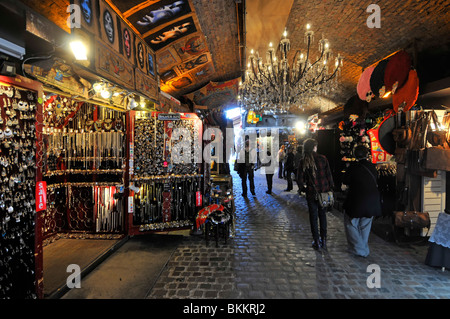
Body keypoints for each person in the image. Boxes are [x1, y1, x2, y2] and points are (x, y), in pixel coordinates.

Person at [342, 145, 382, 257]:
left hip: (356, 200)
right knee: (365, 225)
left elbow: (346, 181)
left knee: (351, 224)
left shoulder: (353, 167)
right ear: (366, 154)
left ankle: (359, 249)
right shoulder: (372, 167)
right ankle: (363, 248)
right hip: (372, 201)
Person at [297, 138, 334, 250]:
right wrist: (331, 188)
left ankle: (316, 240)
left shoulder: (304, 161)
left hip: (312, 193)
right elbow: (329, 175)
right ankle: (324, 240)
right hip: (323, 192)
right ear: (314, 147)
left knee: (313, 217)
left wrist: (303, 188)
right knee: (322, 215)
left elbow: (299, 179)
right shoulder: (323, 158)